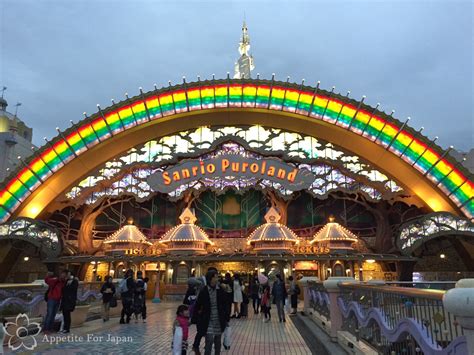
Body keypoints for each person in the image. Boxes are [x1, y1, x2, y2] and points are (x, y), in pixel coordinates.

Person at [192, 269, 228, 355]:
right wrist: (195, 318)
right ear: (210, 279)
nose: (217, 279)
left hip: (218, 319)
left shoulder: (220, 290)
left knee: (218, 342)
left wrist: (226, 316)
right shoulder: (204, 291)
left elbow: (226, 304)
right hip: (208, 319)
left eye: (217, 277)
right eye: (215, 277)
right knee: (209, 340)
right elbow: (197, 305)